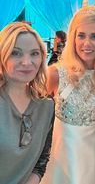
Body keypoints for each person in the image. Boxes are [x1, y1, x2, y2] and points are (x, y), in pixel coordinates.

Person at [41, 6, 95, 184]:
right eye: (81, 35)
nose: (86, 43)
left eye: (94, 36)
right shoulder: (55, 74)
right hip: (61, 161)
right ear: (73, 38)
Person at [0, 22, 55, 184]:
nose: (26, 62)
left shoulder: (47, 106)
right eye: (16, 53)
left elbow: (41, 162)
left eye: (34, 53)